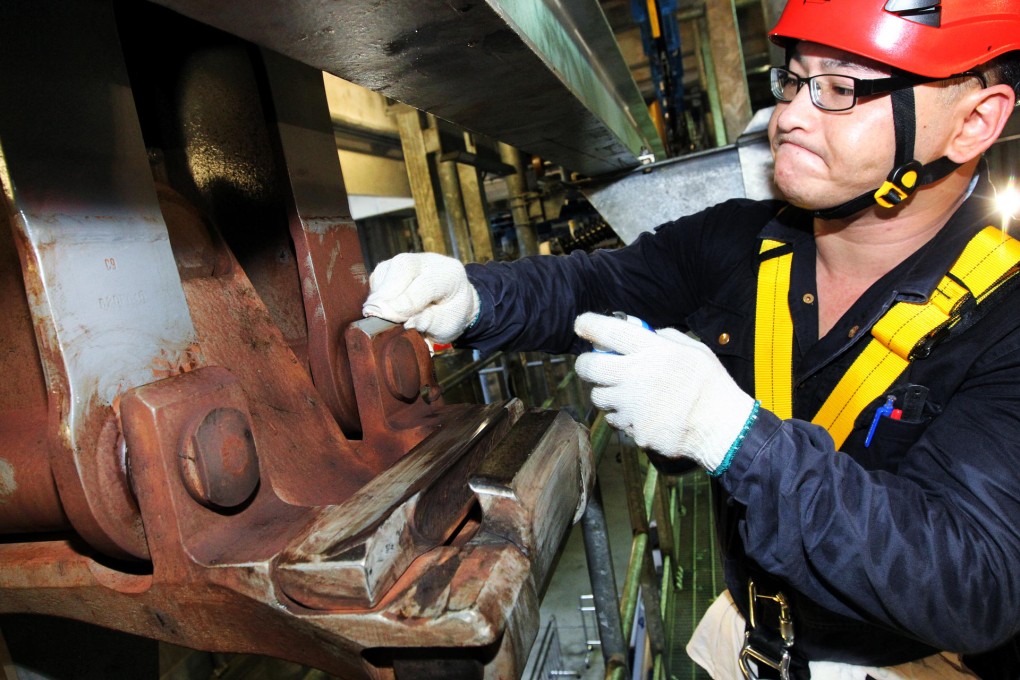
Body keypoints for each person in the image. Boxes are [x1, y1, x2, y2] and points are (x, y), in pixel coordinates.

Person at [362, 1, 1020, 677]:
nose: (791, 115)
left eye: (841, 87)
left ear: (974, 122)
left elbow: (976, 583)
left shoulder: (1006, 318)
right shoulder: (740, 242)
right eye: (793, 80)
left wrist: (731, 434)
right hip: (743, 637)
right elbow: (592, 288)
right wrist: (474, 297)